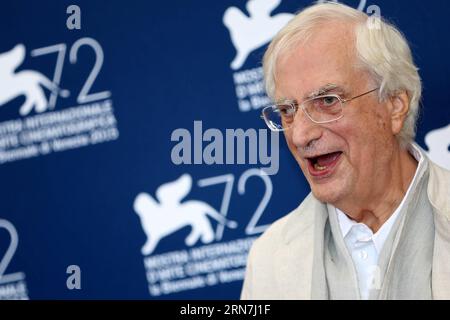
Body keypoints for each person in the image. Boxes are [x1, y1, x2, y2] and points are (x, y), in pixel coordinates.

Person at [241, 2, 450, 300]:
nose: (300, 135)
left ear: (394, 105)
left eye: (327, 101)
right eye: (287, 110)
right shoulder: (269, 258)